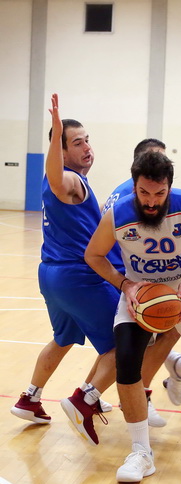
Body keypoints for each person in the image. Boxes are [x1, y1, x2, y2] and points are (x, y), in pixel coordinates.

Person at [84, 151, 181, 482]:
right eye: (144, 193)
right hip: (141, 295)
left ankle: (178, 368)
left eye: (159, 194)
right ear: (134, 186)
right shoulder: (117, 215)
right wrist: (125, 284)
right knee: (128, 364)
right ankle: (141, 452)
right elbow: (93, 254)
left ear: (169, 187)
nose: (151, 202)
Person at [10, 94, 120, 446]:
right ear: (62, 151)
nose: (87, 146)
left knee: (63, 339)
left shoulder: (77, 184)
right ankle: (84, 398)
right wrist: (56, 131)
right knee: (127, 344)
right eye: (77, 142)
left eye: (87, 139)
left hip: (52, 274)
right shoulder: (68, 181)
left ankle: (30, 398)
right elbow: (57, 179)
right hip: (77, 277)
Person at [103, 138, 181, 428]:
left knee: (119, 347)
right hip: (126, 276)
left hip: (121, 272)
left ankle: (92, 395)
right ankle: (139, 397)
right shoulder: (138, 197)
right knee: (163, 330)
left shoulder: (122, 190)